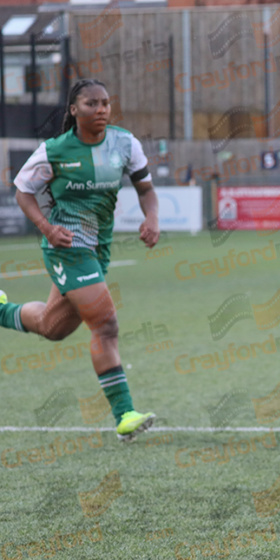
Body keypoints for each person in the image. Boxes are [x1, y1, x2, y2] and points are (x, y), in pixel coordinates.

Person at [0, 79, 158, 441]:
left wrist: (152, 218)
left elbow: (146, 189)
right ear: (74, 110)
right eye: (91, 104)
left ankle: (0, 311)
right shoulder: (54, 151)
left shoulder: (124, 143)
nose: (100, 109)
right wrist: (46, 228)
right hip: (66, 247)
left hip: (98, 248)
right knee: (105, 324)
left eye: (105, 103)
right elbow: (23, 191)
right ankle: (125, 415)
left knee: (52, 327)